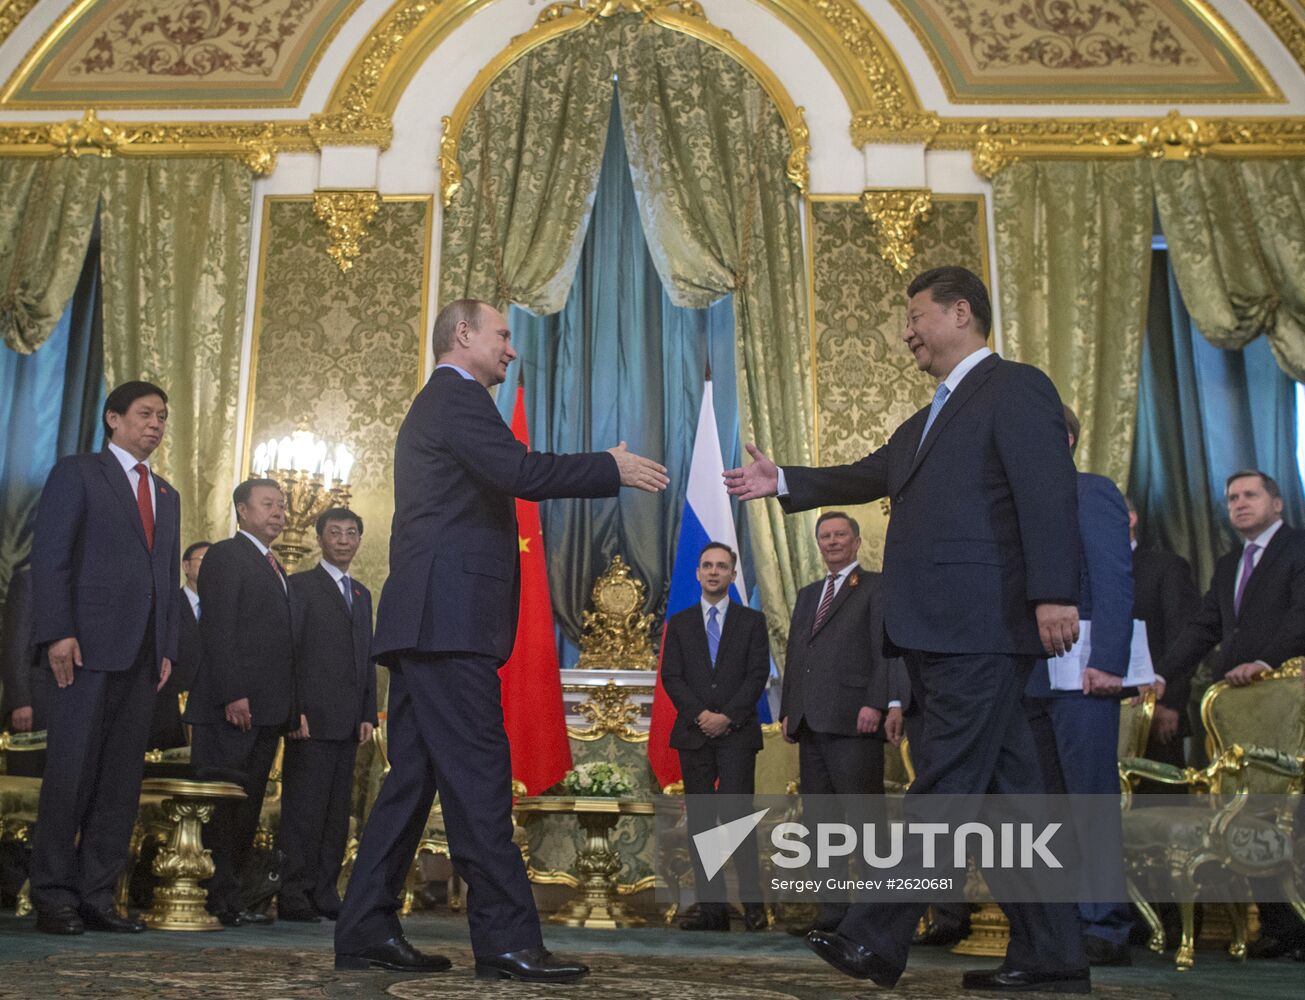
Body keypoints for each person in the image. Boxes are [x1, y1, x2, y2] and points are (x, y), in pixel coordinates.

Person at [725, 266, 1088, 992]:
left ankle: (873, 935)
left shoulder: (1016, 388)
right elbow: (871, 471)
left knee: (944, 783)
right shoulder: (929, 417)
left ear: (961, 312)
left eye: (917, 316)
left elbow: (1047, 495)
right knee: (1009, 798)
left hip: (981, 625)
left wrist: (1054, 594)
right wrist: (784, 480)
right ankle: (1053, 955)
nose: (907, 332)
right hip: (940, 629)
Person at [334, 298, 668, 981]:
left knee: (412, 782)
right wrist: (607, 465)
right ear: (463, 334)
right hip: (447, 624)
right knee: (481, 780)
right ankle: (508, 940)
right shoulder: (455, 399)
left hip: (432, 623)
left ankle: (365, 927)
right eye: (503, 335)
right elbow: (522, 473)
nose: (511, 350)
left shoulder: (445, 403)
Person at [28, 381, 181, 935]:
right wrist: (58, 632)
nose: (156, 425)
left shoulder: (166, 493)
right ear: (113, 418)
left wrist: (166, 647)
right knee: (70, 775)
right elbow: (51, 557)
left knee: (120, 784)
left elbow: (166, 577)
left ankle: (97, 896)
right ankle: (53, 896)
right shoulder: (78, 473)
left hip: (142, 657)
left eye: (162, 417)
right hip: (83, 650)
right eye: (145, 414)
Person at [1157, 469, 1305, 959]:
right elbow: (1204, 627)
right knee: (1247, 811)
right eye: (1232, 498)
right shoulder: (1228, 565)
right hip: (1236, 711)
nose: (1239, 503)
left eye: (1250, 495)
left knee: (1289, 813)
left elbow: (1302, 615)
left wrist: (1267, 661)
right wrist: (1161, 676)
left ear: (1277, 504)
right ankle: (1280, 929)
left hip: (1286, 702)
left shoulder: (1298, 549)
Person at [1023, 406, 1133, 965]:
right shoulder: (1015, 502)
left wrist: (1109, 661)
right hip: (1027, 679)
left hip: (1084, 674)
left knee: (1089, 799)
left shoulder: (1092, 491)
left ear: (1063, 440)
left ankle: (1105, 926)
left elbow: (1114, 577)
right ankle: (1060, 926)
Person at [780, 510, 908, 935]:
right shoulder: (807, 594)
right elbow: (796, 656)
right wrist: (789, 709)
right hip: (810, 723)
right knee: (821, 825)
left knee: (865, 822)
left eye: (840, 535)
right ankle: (832, 914)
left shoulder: (875, 586)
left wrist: (877, 702)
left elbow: (885, 648)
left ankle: (874, 919)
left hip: (855, 721)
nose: (832, 542)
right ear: (818, 544)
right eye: (825, 536)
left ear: (856, 542)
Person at [184, 479, 295, 927]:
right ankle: (213, 895)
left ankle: (232, 897)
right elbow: (218, 629)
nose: (279, 513)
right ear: (242, 510)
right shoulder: (227, 556)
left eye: (282, 505)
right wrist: (233, 693)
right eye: (268, 504)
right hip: (230, 707)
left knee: (246, 808)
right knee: (223, 808)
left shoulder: (274, 565)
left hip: (266, 710)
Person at [660, 541, 770, 933]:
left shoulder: (751, 622)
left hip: (737, 733)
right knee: (702, 822)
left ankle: (754, 907)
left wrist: (727, 717)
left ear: (732, 574)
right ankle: (712, 910)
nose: (713, 571)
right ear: (697, 573)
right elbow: (671, 676)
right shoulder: (680, 623)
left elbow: (757, 675)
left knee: (738, 818)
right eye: (707, 565)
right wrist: (701, 715)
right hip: (695, 733)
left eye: (721, 566)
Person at [278, 508, 377, 922]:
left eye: (351, 533)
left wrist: (367, 712)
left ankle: (324, 889)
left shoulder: (362, 594)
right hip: (310, 719)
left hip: (348, 721)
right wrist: (293, 709)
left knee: (337, 814)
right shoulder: (300, 586)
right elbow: (289, 652)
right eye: (334, 532)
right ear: (319, 539)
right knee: (304, 810)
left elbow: (366, 657)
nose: (343, 540)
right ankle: (293, 892)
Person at [1125, 498, 1199, 770]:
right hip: (1099, 708)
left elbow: (1183, 635)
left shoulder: (1165, 566)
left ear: (1130, 519)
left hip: (1156, 708)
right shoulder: (1083, 571)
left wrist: (1170, 702)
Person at [149, 540, 209, 750]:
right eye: (203, 559)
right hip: (168, 704)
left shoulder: (222, 609)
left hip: (207, 707)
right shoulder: (167, 603)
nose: (209, 566)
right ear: (185, 566)